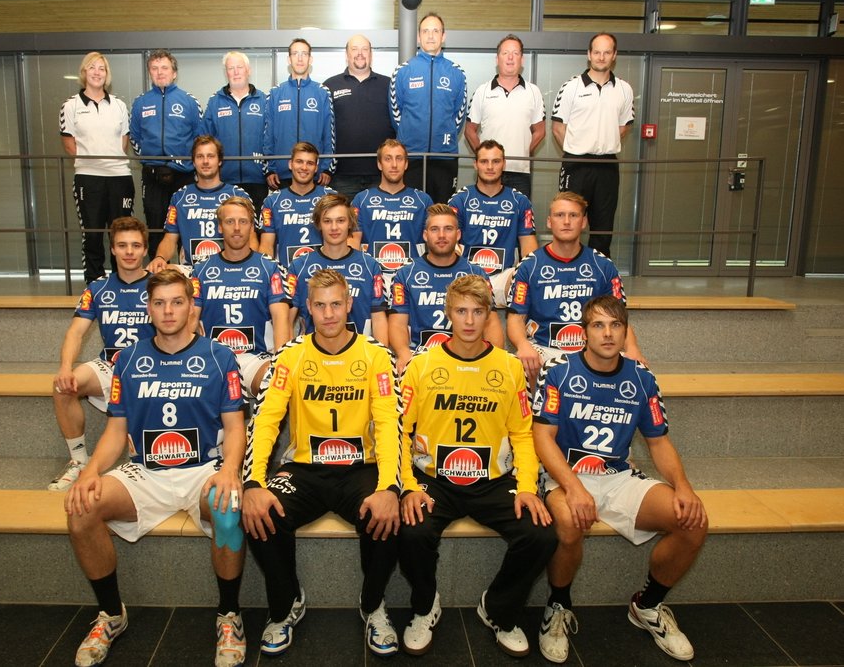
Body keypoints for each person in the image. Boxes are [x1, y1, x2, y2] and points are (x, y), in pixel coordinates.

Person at [64, 269, 247, 667]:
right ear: (148, 308)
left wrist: (231, 469)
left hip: (202, 468)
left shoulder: (220, 357)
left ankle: (229, 616)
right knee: (81, 508)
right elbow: (116, 430)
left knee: (229, 507)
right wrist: (90, 470)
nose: (168, 311)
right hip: (145, 472)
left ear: (191, 306)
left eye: (177, 302)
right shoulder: (128, 360)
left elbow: (236, 426)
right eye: (159, 303)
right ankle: (111, 615)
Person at [532, 295, 707, 663]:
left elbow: (658, 442)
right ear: (584, 332)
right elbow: (542, 437)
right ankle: (558, 606)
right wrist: (574, 488)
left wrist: (684, 487)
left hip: (618, 476)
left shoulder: (642, 377)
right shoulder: (559, 371)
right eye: (598, 325)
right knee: (568, 522)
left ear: (626, 332)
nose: (608, 333)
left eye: (616, 325)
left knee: (692, 521)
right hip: (566, 476)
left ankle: (647, 606)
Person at [242, 268, 401, 658]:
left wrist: (389, 486)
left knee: (386, 512)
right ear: (308, 308)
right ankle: (285, 605)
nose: (329, 314)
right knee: (262, 512)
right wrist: (253, 482)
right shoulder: (290, 355)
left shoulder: (376, 355)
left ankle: (373, 604)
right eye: (320, 305)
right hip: (305, 469)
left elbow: (388, 423)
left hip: (360, 467)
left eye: (336, 304)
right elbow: (266, 419)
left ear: (349, 304)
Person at [398, 275, 557, 657]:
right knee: (411, 530)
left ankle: (499, 609)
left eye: (477, 312)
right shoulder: (421, 366)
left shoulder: (509, 367)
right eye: (461, 311)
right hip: (434, 478)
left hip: (493, 480)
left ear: (489, 316)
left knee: (541, 535)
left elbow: (523, 435)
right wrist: (407, 486)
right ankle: (424, 606)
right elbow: (400, 433)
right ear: (448, 313)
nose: (469, 320)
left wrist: (528, 488)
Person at [49, 216, 154, 492]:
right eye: (122, 245)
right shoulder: (98, 288)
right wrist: (65, 368)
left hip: (151, 368)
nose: (129, 252)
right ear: (113, 249)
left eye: (135, 246)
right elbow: (75, 332)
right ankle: (79, 460)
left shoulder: (159, 285)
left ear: (145, 250)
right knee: (63, 387)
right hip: (110, 365)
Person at [506, 191, 644, 386]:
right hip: (544, 349)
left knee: (632, 367)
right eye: (559, 215)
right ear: (549, 222)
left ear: (584, 221)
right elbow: (515, 318)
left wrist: (633, 348)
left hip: (591, 349)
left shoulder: (603, 266)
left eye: (573, 215)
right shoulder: (529, 265)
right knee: (520, 363)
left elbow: (619, 319)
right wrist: (522, 345)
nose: (566, 221)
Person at [191, 196, 291, 398]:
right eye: (230, 221)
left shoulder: (269, 267)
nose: (237, 228)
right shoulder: (201, 269)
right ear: (220, 227)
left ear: (252, 227)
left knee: (275, 384)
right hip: (213, 359)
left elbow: (281, 318)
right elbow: (190, 317)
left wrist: (279, 362)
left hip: (257, 359)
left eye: (243, 222)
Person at [388, 204, 502, 373]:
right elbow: (397, 324)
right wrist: (404, 354)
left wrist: (493, 358)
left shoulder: (476, 273)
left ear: (458, 234)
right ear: (425, 235)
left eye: (448, 229)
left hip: (466, 358)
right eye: (435, 229)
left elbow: (491, 322)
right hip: (421, 357)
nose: (441, 235)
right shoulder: (405, 274)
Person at [551, 32, 634, 258]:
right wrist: (576, 150)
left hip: (607, 166)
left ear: (614, 55)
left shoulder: (624, 89)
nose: (601, 57)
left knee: (603, 227)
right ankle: (566, 268)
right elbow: (558, 128)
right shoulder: (571, 87)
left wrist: (603, 144)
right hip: (576, 164)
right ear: (589, 55)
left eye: (606, 52)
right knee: (568, 222)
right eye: (597, 52)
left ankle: (598, 273)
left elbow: (623, 127)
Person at [59, 52, 135, 284]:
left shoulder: (119, 105)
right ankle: (94, 283)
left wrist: (111, 160)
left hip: (119, 177)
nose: (97, 72)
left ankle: (122, 282)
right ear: (84, 72)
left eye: (101, 68)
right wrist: (91, 161)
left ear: (107, 74)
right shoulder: (70, 105)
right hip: (88, 178)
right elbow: (68, 143)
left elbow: (124, 141)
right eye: (92, 67)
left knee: (121, 234)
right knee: (92, 234)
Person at [130, 49, 203, 258]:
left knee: (185, 226)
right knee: (155, 226)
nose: (160, 72)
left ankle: (185, 273)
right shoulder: (140, 102)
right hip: (152, 175)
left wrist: (186, 162)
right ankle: (158, 272)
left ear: (174, 73)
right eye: (154, 68)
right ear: (149, 73)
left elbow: (200, 138)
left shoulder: (189, 101)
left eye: (164, 68)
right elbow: (134, 137)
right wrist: (149, 160)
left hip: (183, 175)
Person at [287, 194, 388, 344]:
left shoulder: (370, 265)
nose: (334, 228)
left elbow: (379, 319)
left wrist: (382, 355)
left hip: (360, 353)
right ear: (319, 224)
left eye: (340, 220)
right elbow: (287, 321)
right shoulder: (299, 266)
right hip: (312, 354)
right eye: (327, 221)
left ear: (350, 223)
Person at [449, 140, 538, 307]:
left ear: (504, 164)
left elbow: (529, 248)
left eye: (496, 161)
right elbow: (449, 244)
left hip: (504, 275)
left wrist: (530, 273)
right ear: (475, 164)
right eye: (484, 161)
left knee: (528, 280)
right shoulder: (460, 200)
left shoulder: (520, 201)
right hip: (467, 276)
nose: (490, 167)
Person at [389, 12, 467, 204]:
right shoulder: (403, 71)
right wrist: (412, 136)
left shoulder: (457, 73)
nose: (430, 36)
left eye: (435, 31)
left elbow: (458, 117)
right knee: (411, 211)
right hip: (411, 157)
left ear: (443, 36)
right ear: (418, 37)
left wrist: (442, 136)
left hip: (444, 157)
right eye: (425, 31)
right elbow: (396, 113)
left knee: (442, 212)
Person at [145, 136, 253, 273]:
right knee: (159, 272)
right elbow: (170, 238)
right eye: (200, 156)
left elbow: (251, 237)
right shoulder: (180, 197)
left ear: (219, 161)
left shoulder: (238, 195)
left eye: (210, 156)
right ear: (193, 162)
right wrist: (160, 258)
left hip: (229, 269)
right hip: (191, 270)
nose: (205, 161)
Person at [464, 35, 545, 201]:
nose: (510, 57)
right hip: (489, 172)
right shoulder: (482, 91)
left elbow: (540, 131)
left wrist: (524, 151)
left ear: (522, 59)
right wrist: (485, 158)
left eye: (515, 53)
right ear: (497, 59)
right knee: (485, 214)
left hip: (520, 172)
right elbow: (470, 131)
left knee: (519, 216)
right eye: (505, 53)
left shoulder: (534, 92)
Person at [323, 34, 396, 198]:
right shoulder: (330, 85)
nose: (360, 53)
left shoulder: (389, 85)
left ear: (371, 54)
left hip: (381, 173)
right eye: (354, 49)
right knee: (341, 215)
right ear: (346, 54)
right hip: (341, 175)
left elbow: (400, 124)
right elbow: (323, 129)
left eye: (365, 49)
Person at [350, 139, 433, 274]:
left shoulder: (423, 200)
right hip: (372, 274)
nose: (394, 165)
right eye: (388, 159)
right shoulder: (362, 199)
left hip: (413, 276)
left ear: (406, 164)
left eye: (399, 159)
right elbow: (353, 241)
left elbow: (434, 242)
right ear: (379, 164)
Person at [262, 39, 335, 190]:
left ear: (310, 59)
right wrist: (270, 168)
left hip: (315, 174)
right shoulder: (275, 93)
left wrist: (327, 167)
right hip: (281, 175)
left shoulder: (322, 92)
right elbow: (267, 135)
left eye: (304, 54)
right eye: (295, 54)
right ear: (289, 59)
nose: (300, 58)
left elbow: (329, 133)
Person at [202, 51, 269, 208]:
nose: (236, 72)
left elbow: (271, 138)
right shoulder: (215, 102)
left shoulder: (264, 100)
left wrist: (269, 170)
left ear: (248, 70)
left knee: (255, 223)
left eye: (240, 67)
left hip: (257, 179)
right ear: (226, 73)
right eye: (231, 68)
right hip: (224, 180)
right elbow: (205, 140)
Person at [259, 142, 337, 268]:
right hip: (287, 274)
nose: (304, 167)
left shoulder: (331, 197)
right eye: (299, 162)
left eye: (310, 163)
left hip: (325, 274)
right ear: (290, 164)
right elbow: (266, 246)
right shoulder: (272, 201)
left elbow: (344, 241)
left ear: (316, 168)